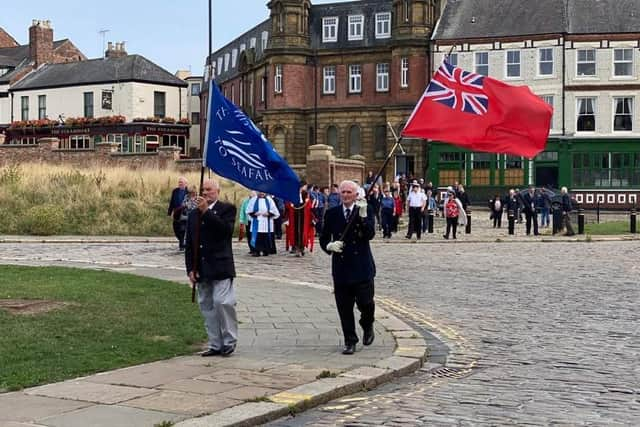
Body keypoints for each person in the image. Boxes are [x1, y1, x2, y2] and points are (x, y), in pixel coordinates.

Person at [320, 180, 376, 355]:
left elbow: (369, 234)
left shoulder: (364, 210)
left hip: (362, 267)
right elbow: (323, 237)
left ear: (356, 194)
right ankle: (350, 340)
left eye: (348, 192)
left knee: (366, 304)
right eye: (342, 192)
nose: (345, 195)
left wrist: (364, 216)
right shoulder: (332, 214)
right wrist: (329, 246)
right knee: (344, 308)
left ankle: (367, 325)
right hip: (342, 268)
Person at [185, 179, 238, 357]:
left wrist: (207, 212)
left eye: (209, 190)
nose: (205, 192)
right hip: (202, 267)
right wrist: (190, 269)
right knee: (206, 305)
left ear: (217, 191)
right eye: (203, 189)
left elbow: (225, 231)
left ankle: (229, 341)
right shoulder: (193, 214)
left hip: (220, 265)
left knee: (222, 302)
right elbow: (190, 243)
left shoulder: (227, 209)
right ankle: (215, 343)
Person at [285, 182, 315, 256]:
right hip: (294, 216)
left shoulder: (306, 195)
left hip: (303, 216)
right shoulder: (292, 194)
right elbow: (287, 205)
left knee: (302, 232)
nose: (303, 188)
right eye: (303, 187)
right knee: (294, 231)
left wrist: (313, 218)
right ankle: (295, 247)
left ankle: (301, 247)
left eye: (304, 187)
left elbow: (310, 207)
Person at [246, 192, 280, 256]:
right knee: (257, 237)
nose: (261, 193)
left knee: (265, 237)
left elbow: (275, 211)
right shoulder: (253, 200)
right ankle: (256, 251)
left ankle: (266, 250)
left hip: (266, 222)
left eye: (263, 192)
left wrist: (269, 213)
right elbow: (248, 210)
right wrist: (254, 213)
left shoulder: (269, 200)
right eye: (260, 192)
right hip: (256, 222)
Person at [168, 176, 188, 250]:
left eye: (181, 182)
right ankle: (182, 241)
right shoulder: (175, 191)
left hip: (185, 214)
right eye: (179, 182)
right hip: (176, 213)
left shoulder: (189, 192)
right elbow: (172, 202)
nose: (180, 184)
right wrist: (170, 213)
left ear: (186, 184)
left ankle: (182, 245)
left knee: (182, 229)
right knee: (176, 229)